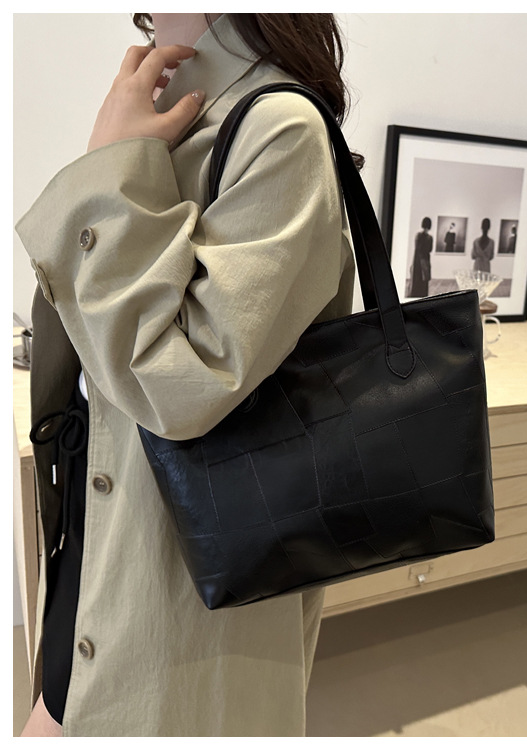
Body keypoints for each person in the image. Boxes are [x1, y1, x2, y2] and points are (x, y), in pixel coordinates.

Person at [16, 13, 357, 737]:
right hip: (97, 521)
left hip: (179, 576)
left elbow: (181, 383)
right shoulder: (162, 101)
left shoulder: (279, 128)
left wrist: (109, 171)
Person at [408, 216, 433, 296]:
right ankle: (422, 295)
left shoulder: (418, 235)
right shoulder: (429, 238)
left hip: (418, 260)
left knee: (418, 279)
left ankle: (415, 294)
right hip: (424, 260)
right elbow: (429, 249)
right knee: (423, 279)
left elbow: (418, 248)